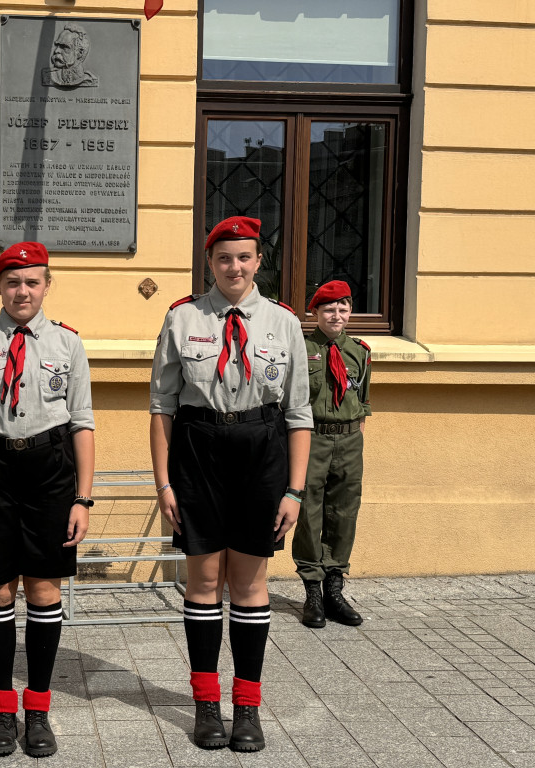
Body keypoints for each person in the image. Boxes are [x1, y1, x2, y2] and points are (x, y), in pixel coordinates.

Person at [149, 216, 312, 752]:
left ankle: (247, 707)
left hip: (261, 450)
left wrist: (293, 489)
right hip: (198, 451)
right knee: (202, 583)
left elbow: (298, 412)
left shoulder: (284, 322)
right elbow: (162, 408)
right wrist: (164, 484)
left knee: (249, 584)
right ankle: (205, 705)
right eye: (223, 258)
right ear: (210, 263)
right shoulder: (182, 318)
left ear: (258, 261)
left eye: (243, 257)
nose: (234, 267)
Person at [0, 241, 95, 758]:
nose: (22, 291)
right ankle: (3, 710)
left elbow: (82, 423)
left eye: (32, 281)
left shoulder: (68, 345)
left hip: (51, 473)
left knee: (44, 591)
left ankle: (38, 710)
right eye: (13, 282)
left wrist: (83, 498)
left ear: (47, 285)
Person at [292, 280, 372, 628]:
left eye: (342, 309)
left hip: (350, 441)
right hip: (313, 438)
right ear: (315, 313)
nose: (336, 315)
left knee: (344, 512)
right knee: (309, 512)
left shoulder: (360, 351)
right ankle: (312, 591)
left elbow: (364, 400)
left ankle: (335, 589)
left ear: (350, 312)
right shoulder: (301, 347)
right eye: (329, 309)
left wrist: (354, 437)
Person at [41, 23, 99, 88]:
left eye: (64, 47)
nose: (56, 51)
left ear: (80, 53)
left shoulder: (90, 80)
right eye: (58, 46)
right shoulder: (48, 76)